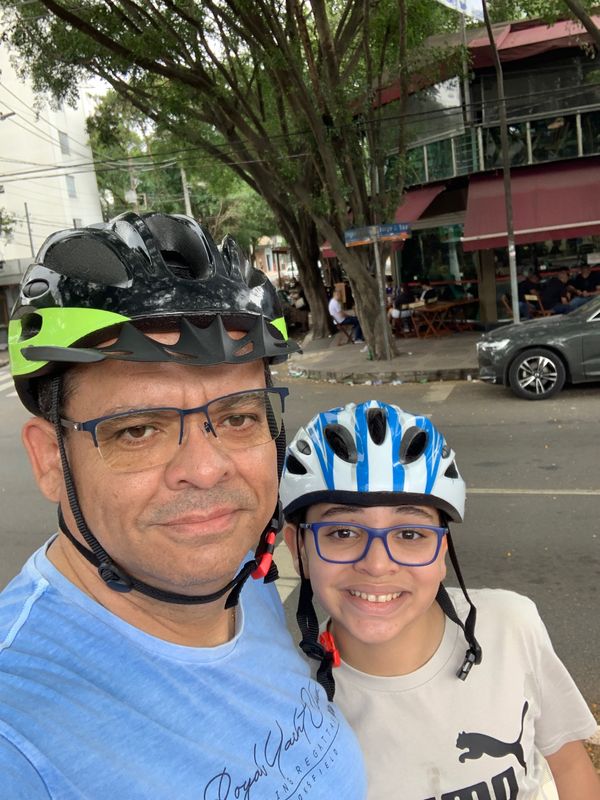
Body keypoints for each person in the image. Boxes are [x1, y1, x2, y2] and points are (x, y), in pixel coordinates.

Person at [0, 212, 367, 799]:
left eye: (239, 416)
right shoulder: (17, 730)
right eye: (137, 430)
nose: (204, 469)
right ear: (49, 459)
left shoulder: (245, 583)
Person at [280, 400, 600, 800]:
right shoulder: (287, 708)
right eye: (342, 533)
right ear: (299, 550)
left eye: (410, 534)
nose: (377, 565)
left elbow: (569, 764)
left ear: (442, 552)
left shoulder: (510, 626)